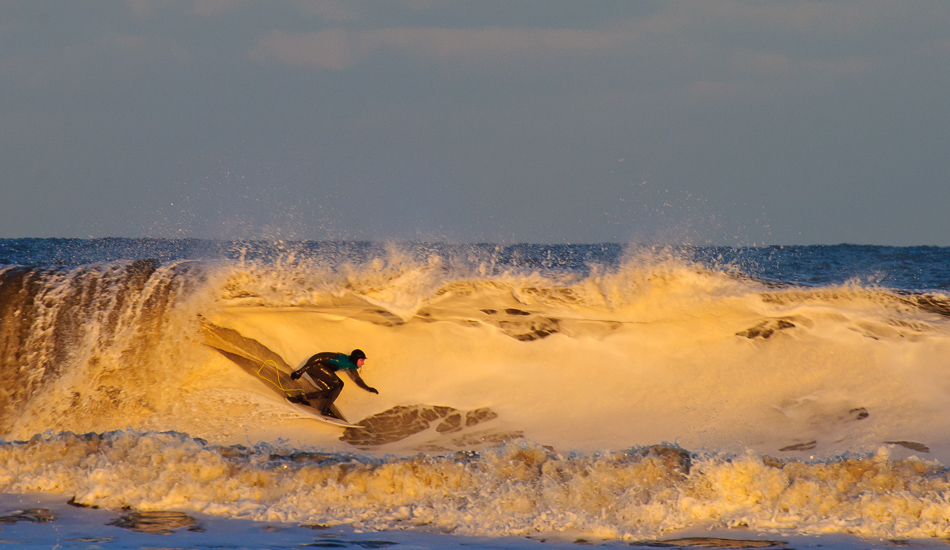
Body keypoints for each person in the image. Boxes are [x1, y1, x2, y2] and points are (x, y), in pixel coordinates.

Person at [288, 349, 377, 418]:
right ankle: (326, 409)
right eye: (362, 360)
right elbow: (317, 357)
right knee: (339, 384)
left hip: (315, 369)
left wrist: (368, 388)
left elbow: (357, 380)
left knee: (331, 391)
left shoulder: (351, 367)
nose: (363, 363)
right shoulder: (340, 358)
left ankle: (301, 398)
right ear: (355, 359)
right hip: (314, 366)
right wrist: (301, 371)